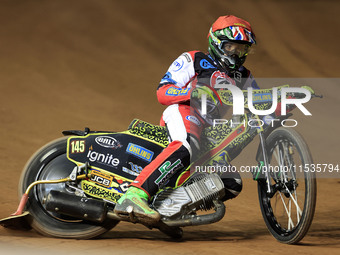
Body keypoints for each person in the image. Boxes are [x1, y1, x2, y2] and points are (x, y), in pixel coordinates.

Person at [114, 15, 258, 225]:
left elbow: (258, 102)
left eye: (242, 49)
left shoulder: (245, 76)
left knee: (230, 182)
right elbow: (163, 91)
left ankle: (167, 210)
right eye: (231, 47)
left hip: (209, 128)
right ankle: (134, 195)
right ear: (217, 43)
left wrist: (286, 97)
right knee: (188, 144)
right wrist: (194, 93)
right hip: (184, 112)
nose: (236, 54)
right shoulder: (195, 59)